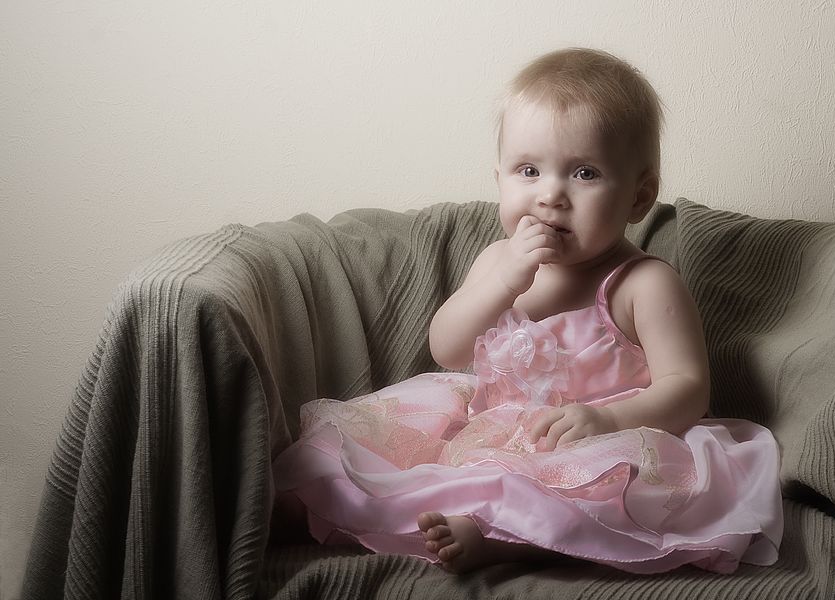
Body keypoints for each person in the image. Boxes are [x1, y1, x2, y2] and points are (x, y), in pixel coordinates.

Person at [272, 47, 783, 575]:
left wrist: (608, 419)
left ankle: (502, 538)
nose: (551, 196)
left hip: (595, 441)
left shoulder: (643, 283)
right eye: (529, 171)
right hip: (488, 426)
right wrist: (499, 284)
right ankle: (312, 505)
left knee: (602, 488)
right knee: (358, 449)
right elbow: (446, 349)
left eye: (584, 173)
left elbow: (689, 388)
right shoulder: (498, 260)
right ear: (499, 179)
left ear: (639, 197)